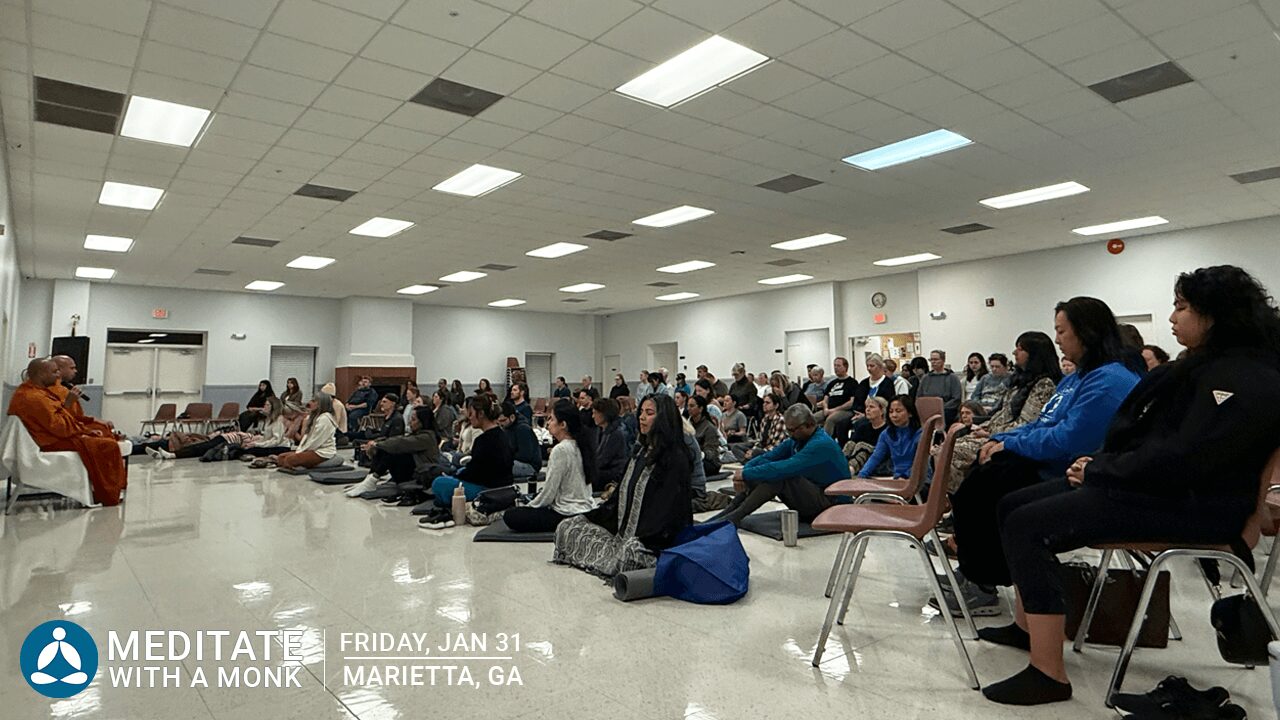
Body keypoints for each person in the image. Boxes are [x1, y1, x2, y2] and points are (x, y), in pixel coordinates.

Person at [981, 266, 1280, 706]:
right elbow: (1160, 447)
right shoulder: (1211, 366)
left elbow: (1185, 459)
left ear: (1215, 314)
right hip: (1159, 489)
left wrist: (1100, 471)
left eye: (1181, 307)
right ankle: (1028, 630)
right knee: (1011, 505)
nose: (1172, 317)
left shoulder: (1241, 379)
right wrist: (1101, 465)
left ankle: (1048, 673)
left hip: (1194, 506)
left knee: (1028, 524)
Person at [944, 297, 1143, 618]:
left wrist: (1009, 444)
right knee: (981, 478)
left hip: (1079, 473)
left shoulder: (1109, 379)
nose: (1058, 340)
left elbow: (1068, 440)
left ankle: (982, 581)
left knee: (988, 491)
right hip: (1056, 462)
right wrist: (1003, 439)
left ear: (1086, 332)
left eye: (1062, 331)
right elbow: (1044, 423)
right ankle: (976, 574)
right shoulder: (1079, 376)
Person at [554, 393, 693, 576]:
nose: (642, 417)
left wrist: (642, 538)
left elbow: (669, 513)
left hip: (655, 540)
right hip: (622, 534)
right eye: (641, 412)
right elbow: (617, 500)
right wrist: (591, 516)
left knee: (631, 553)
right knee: (568, 527)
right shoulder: (640, 453)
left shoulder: (675, 459)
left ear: (664, 419)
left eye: (649, 413)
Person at [949, 333, 1062, 492]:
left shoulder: (1044, 385)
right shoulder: (1020, 380)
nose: (1014, 352)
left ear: (1034, 354)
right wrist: (984, 427)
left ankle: (958, 500)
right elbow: (1002, 413)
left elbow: (1026, 424)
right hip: (998, 432)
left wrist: (991, 434)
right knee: (947, 445)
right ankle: (949, 498)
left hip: (1012, 438)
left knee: (951, 452)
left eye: (1020, 349)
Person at [8, 357, 127, 506]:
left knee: (102, 440)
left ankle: (104, 488)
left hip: (52, 436)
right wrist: (83, 431)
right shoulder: (34, 397)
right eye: (54, 372)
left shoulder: (37, 392)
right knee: (107, 446)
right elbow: (61, 428)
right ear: (41, 374)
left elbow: (60, 418)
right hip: (49, 441)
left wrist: (84, 430)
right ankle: (105, 493)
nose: (58, 375)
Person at [712, 404, 851, 525]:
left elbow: (785, 467)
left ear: (809, 425)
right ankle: (730, 511)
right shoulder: (797, 439)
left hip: (833, 506)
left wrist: (745, 474)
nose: (789, 434)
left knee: (780, 476)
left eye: (792, 430)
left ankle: (734, 517)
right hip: (816, 495)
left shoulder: (820, 444)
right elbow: (768, 456)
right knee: (766, 470)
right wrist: (744, 472)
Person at [420, 395, 513, 529]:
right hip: (502, 487)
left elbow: (476, 473)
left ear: (481, 414)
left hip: (487, 489)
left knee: (439, 483)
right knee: (456, 472)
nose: (469, 417)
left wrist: (456, 477)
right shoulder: (502, 435)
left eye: (471, 413)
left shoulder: (483, 440)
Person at [504, 401, 598, 532]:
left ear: (563, 424)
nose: (548, 423)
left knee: (511, 515)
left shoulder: (560, 449)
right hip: (586, 509)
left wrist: (530, 506)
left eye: (552, 419)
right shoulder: (581, 445)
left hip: (566, 512)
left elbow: (549, 493)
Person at [345, 405, 441, 497]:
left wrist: (376, 444)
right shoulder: (419, 434)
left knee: (390, 451)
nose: (410, 422)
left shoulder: (427, 437)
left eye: (413, 419)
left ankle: (372, 480)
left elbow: (400, 443)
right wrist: (376, 444)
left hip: (423, 475)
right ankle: (370, 478)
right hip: (416, 470)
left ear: (423, 422)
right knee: (384, 447)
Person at [264, 393, 339, 470]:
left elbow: (316, 441)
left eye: (313, 401)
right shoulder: (315, 417)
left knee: (290, 459)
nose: (309, 403)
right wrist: (299, 450)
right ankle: (287, 462)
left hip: (321, 452)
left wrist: (300, 452)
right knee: (281, 457)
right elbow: (306, 437)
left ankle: (296, 465)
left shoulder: (324, 419)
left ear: (321, 404)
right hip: (312, 449)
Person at [857, 396, 921, 480]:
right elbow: (876, 457)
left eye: (898, 411)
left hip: (917, 479)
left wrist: (905, 476)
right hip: (896, 478)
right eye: (891, 412)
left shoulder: (920, 433)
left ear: (910, 413)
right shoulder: (886, 434)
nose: (894, 415)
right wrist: (861, 475)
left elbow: (921, 463)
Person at [50, 355, 115, 435]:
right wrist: (69, 401)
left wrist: (93, 420)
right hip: (66, 431)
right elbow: (60, 420)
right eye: (72, 368)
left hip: (75, 425)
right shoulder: (53, 390)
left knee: (105, 428)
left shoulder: (65, 388)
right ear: (59, 370)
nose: (75, 371)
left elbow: (76, 416)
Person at [733, 391, 787, 462]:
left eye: (767, 403)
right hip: (762, 448)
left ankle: (750, 460)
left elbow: (776, 445)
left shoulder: (780, 420)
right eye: (764, 402)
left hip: (772, 451)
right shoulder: (764, 419)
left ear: (776, 406)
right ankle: (750, 460)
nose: (764, 405)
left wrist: (754, 451)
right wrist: (752, 450)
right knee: (736, 447)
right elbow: (760, 440)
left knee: (756, 452)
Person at [844, 396, 890, 475]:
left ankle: (850, 470)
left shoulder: (887, 429)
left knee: (862, 447)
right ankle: (841, 465)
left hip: (878, 459)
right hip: (858, 457)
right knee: (850, 444)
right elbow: (851, 443)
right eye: (867, 407)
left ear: (882, 411)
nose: (867, 410)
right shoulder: (863, 427)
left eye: (871, 407)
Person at [812, 357, 856, 436]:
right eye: (834, 365)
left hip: (845, 411)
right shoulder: (832, 383)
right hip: (828, 409)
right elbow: (825, 399)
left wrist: (834, 410)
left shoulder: (852, 383)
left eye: (838, 366)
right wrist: (826, 408)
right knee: (811, 418)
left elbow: (851, 402)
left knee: (830, 419)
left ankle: (825, 441)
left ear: (845, 367)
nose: (836, 368)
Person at [592, 398, 628, 492]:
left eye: (595, 413)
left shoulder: (616, 433)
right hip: (604, 472)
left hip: (612, 475)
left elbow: (603, 460)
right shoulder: (601, 430)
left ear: (604, 414)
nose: (593, 416)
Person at [917, 350, 964, 423]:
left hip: (947, 412)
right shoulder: (925, 378)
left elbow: (956, 399)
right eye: (931, 360)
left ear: (943, 360)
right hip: (928, 411)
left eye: (936, 359)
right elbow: (919, 397)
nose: (933, 362)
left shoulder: (952, 378)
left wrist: (940, 408)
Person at [499, 401, 542, 480]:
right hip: (517, 461)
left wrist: (506, 456)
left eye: (503, 420)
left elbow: (525, 455)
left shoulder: (523, 429)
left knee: (499, 467)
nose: (501, 424)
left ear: (512, 417)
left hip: (530, 466)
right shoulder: (507, 427)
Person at [686, 394, 721, 477]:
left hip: (709, 463)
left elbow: (711, 453)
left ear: (701, 408)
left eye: (692, 406)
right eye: (688, 406)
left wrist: (696, 454)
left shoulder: (709, 428)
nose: (688, 409)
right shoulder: (687, 425)